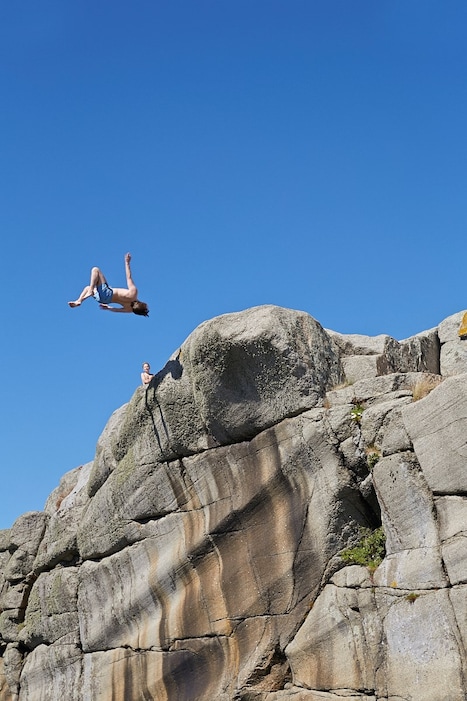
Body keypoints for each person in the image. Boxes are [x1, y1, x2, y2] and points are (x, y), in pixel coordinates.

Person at [68, 253, 149, 316]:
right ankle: (79, 301)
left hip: (107, 293)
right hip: (103, 300)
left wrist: (127, 262)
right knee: (87, 288)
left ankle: (90, 291)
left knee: (95, 270)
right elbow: (116, 310)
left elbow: (129, 277)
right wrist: (108, 308)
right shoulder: (129, 310)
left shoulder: (133, 293)